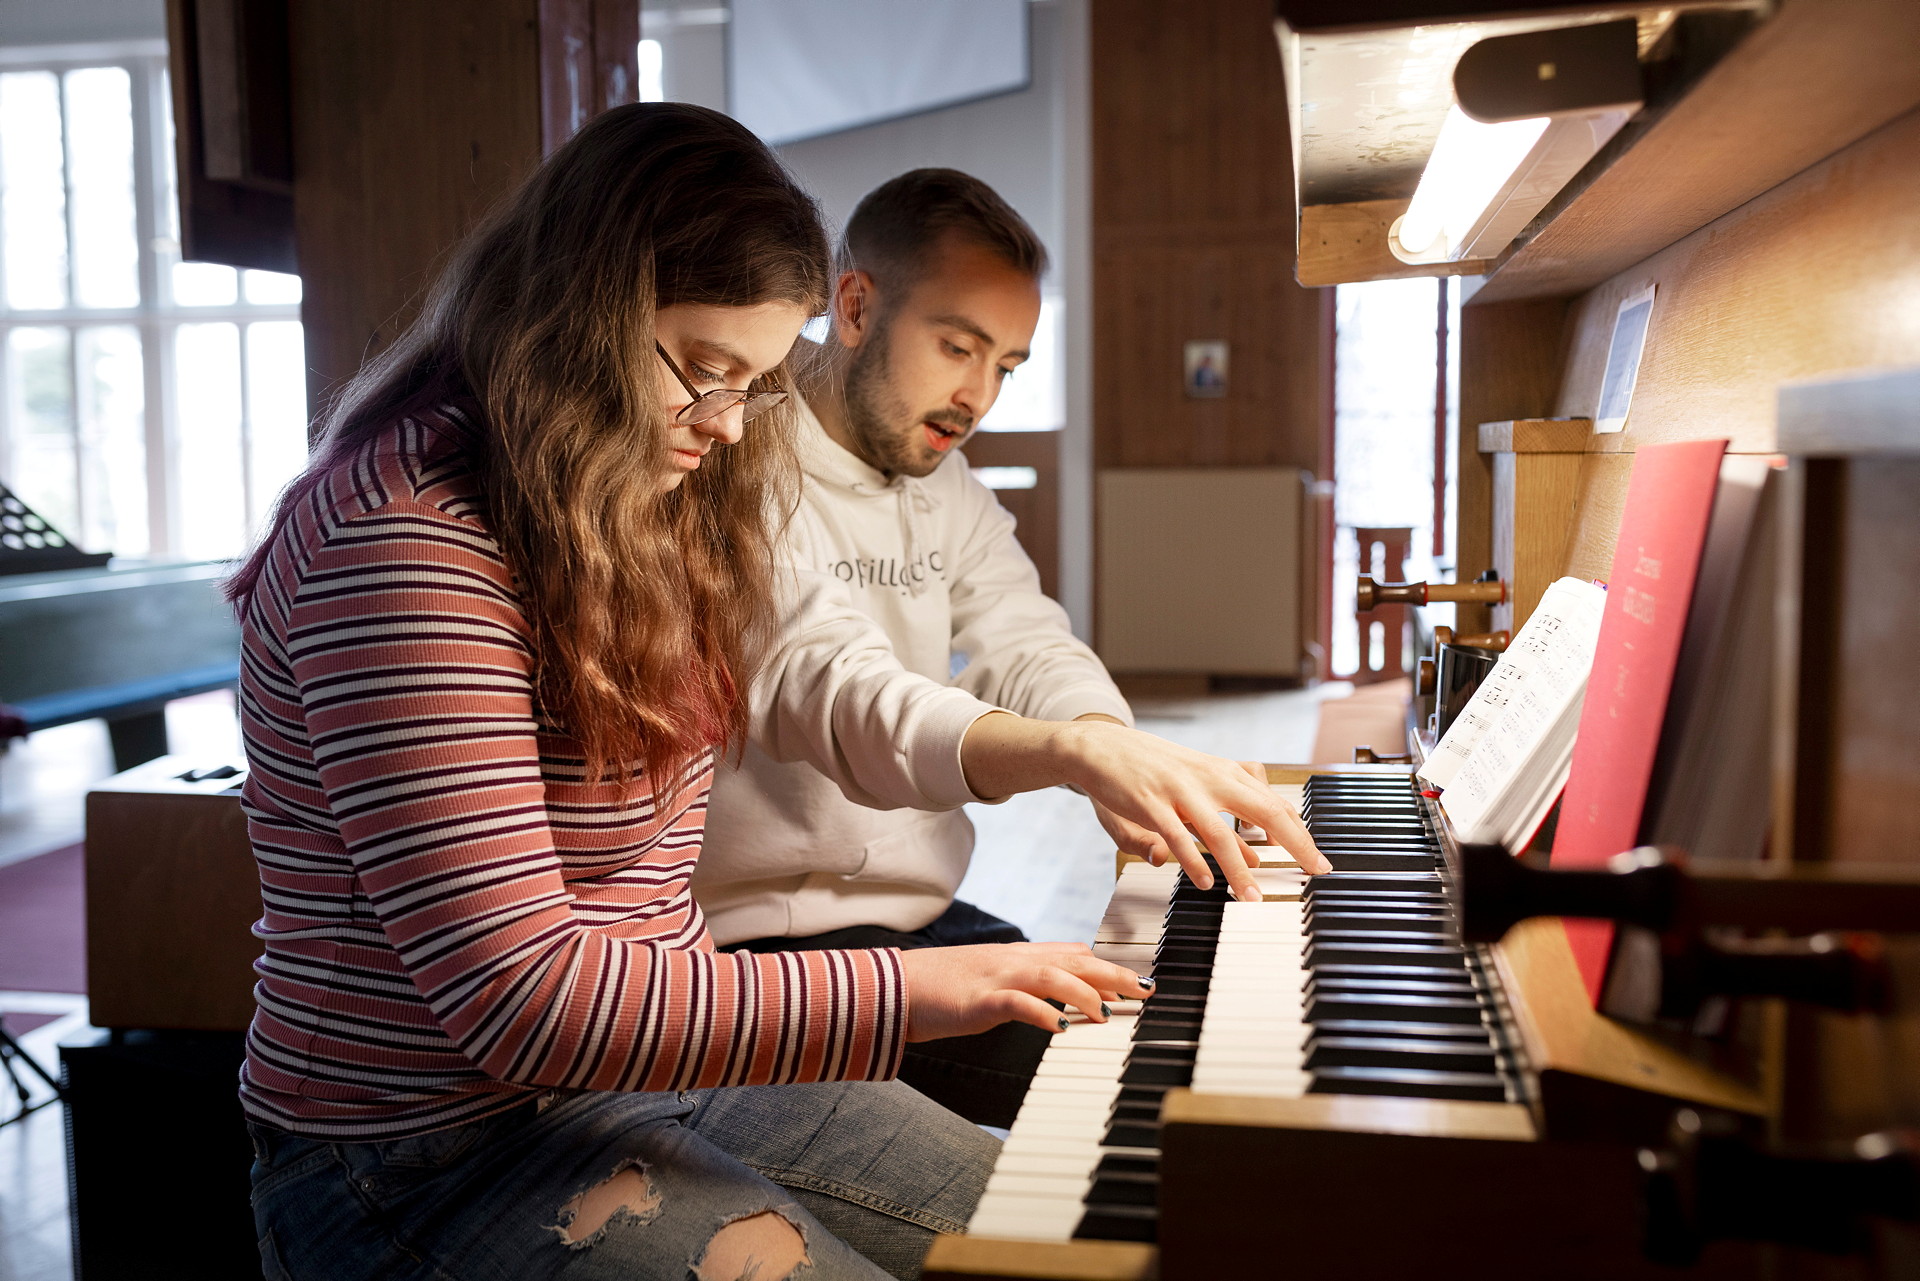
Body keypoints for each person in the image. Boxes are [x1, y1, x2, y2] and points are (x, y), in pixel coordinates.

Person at [227, 104, 1314, 1281]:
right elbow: (519, 1000)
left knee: (1099, 1239)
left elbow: (952, 643)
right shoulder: (405, 542)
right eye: (705, 372)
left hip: (655, 1068)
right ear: (575, 313)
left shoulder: (651, 483)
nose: (732, 425)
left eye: (753, 382)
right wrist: (916, 987)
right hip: (427, 1152)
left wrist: (1088, 741)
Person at [696, 169, 1327, 1127]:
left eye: (1007, 366)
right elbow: (838, 690)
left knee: (1171, 1036)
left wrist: (1109, 744)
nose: (977, 396)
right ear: (855, 306)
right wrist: (1069, 754)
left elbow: (1028, 642)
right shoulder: (734, 457)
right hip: (760, 954)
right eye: (958, 347)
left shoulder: (948, 487)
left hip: (922, 922)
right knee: (1141, 1093)